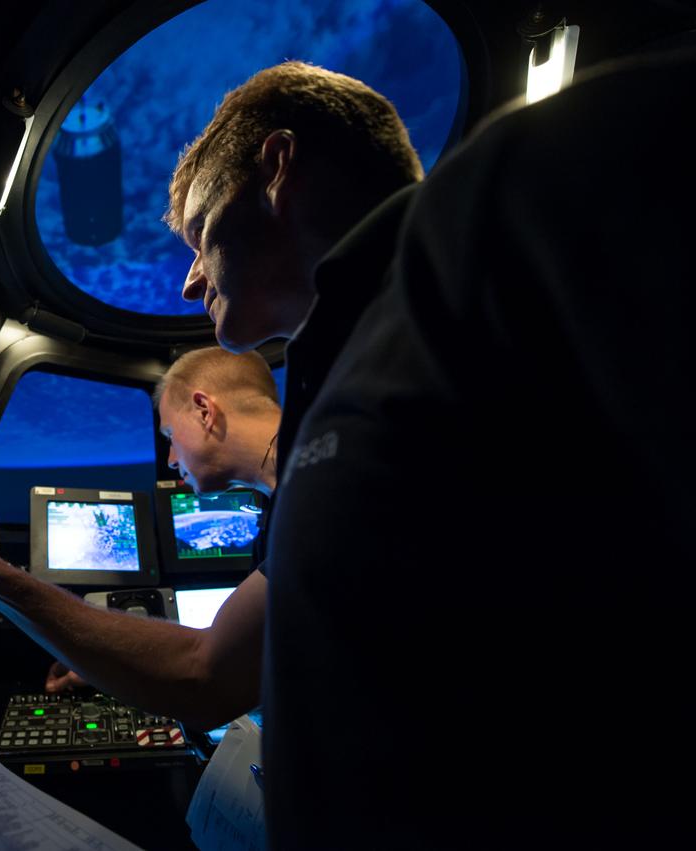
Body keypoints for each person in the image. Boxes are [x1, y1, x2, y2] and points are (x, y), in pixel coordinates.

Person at [170, 53, 695, 848]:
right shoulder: (341, 360)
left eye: (201, 231)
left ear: (277, 167)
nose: (186, 281)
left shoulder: (502, 204)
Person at [0, 346, 280, 730]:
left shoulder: (316, 497)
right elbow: (243, 665)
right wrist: (111, 661)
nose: (169, 458)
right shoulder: (291, 499)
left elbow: (204, 681)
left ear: (204, 410)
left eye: (169, 434)